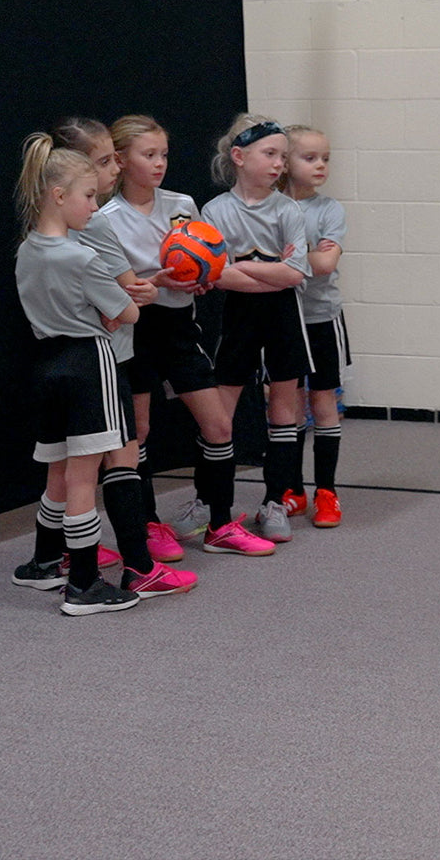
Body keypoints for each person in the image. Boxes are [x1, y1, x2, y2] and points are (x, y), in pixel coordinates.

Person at [10, 133, 196, 615]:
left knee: (58, 468)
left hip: (47, 363)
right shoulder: (81, 257)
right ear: (58, 196)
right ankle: (86, 583)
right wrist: (115, 310)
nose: (95, 205)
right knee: (82, 476)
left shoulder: (27, 249)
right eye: (89, 196)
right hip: (89, 362)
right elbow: (128, 316)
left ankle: (43, 563)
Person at [100, 114, 277, 556]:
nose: (159, 163)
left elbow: (204, 258)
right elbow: (108, 288)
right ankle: (148, 525)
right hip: (134, 331)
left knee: (218, 424)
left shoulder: (181, 203)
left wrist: (203, 278)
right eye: (148, 155)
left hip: (179, 327)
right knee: (137, 432)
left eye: (163, 154)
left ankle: (219, 524)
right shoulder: (104, 218)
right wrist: (157, 282)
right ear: (120, 160)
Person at [201, 116, 311, 544]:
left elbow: (296, 275)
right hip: (239, 319)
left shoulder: (288, 209)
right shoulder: (216, 211)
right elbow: (218, 277)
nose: (279, 164)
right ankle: (216, 507)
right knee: (220, 417)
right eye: (270, 154)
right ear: (239, 157)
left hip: (283, 318)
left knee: (284, 411)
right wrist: (269, 269)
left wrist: (242, 265)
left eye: (283, 157)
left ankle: (274, 502)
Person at [280, 125, 349, 529]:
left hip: (321, 318)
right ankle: (292, 490)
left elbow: (325, 265)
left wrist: (278, 261)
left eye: (325, 157)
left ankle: (327, 492)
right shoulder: (269, 206)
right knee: (285, 406)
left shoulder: (329, 210)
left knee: (322, 404)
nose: (321, 165)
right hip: (282, 321)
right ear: (285, 162)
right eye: (310, 158)